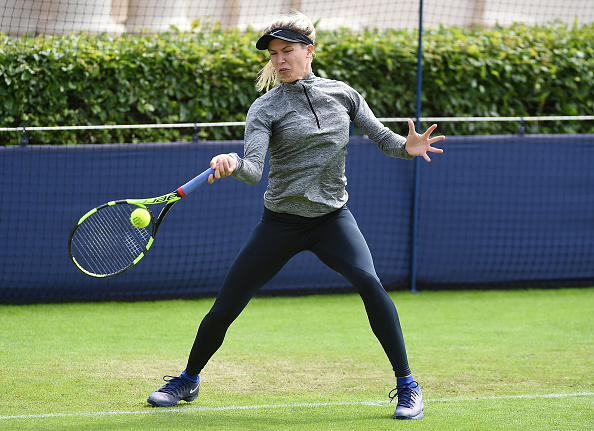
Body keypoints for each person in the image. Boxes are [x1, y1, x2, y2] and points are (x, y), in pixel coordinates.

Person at [147, 10, 444, 420]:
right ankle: (188, 379)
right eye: (273, 54)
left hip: (331, 220)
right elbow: (253, 172)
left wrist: (406, 146)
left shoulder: (343, 94)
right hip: (281, 222)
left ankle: (407, 385)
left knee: (370, 284)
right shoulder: (264, 108)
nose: (279, 60)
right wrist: (232, 162)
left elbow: (383, 138)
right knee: (226, 306)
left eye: (287, 50)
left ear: (309, 51)